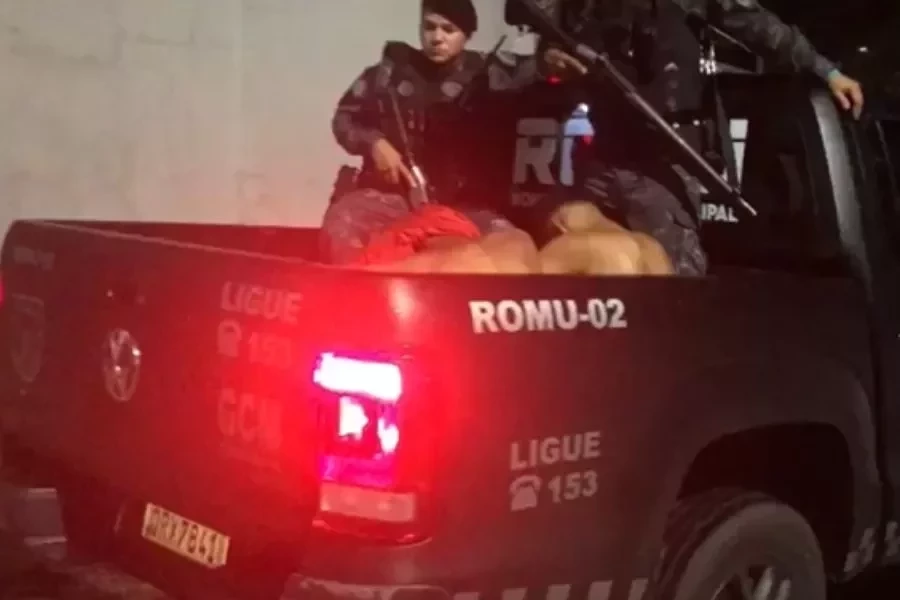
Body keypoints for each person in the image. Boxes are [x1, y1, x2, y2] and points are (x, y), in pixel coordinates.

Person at [511, 0, 865, 276]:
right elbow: (544, 46)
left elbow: (760, 27)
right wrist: (548, 61)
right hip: (598, 157)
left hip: (666, 161)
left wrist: (826, 71)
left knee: (674, 288)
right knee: (580, 278)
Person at [321, 0, 544, 274]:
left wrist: (548, 62)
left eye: (448, 30)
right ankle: (358, 291)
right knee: (342, 221)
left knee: (511, 248)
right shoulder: (389, 75)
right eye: (429, 27)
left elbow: (534, 75)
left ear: (466, 35)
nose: (437, 38)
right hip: (392, 201)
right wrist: (374, 142)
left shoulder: (488, 76)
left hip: (465, 206)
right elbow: (344, 118)